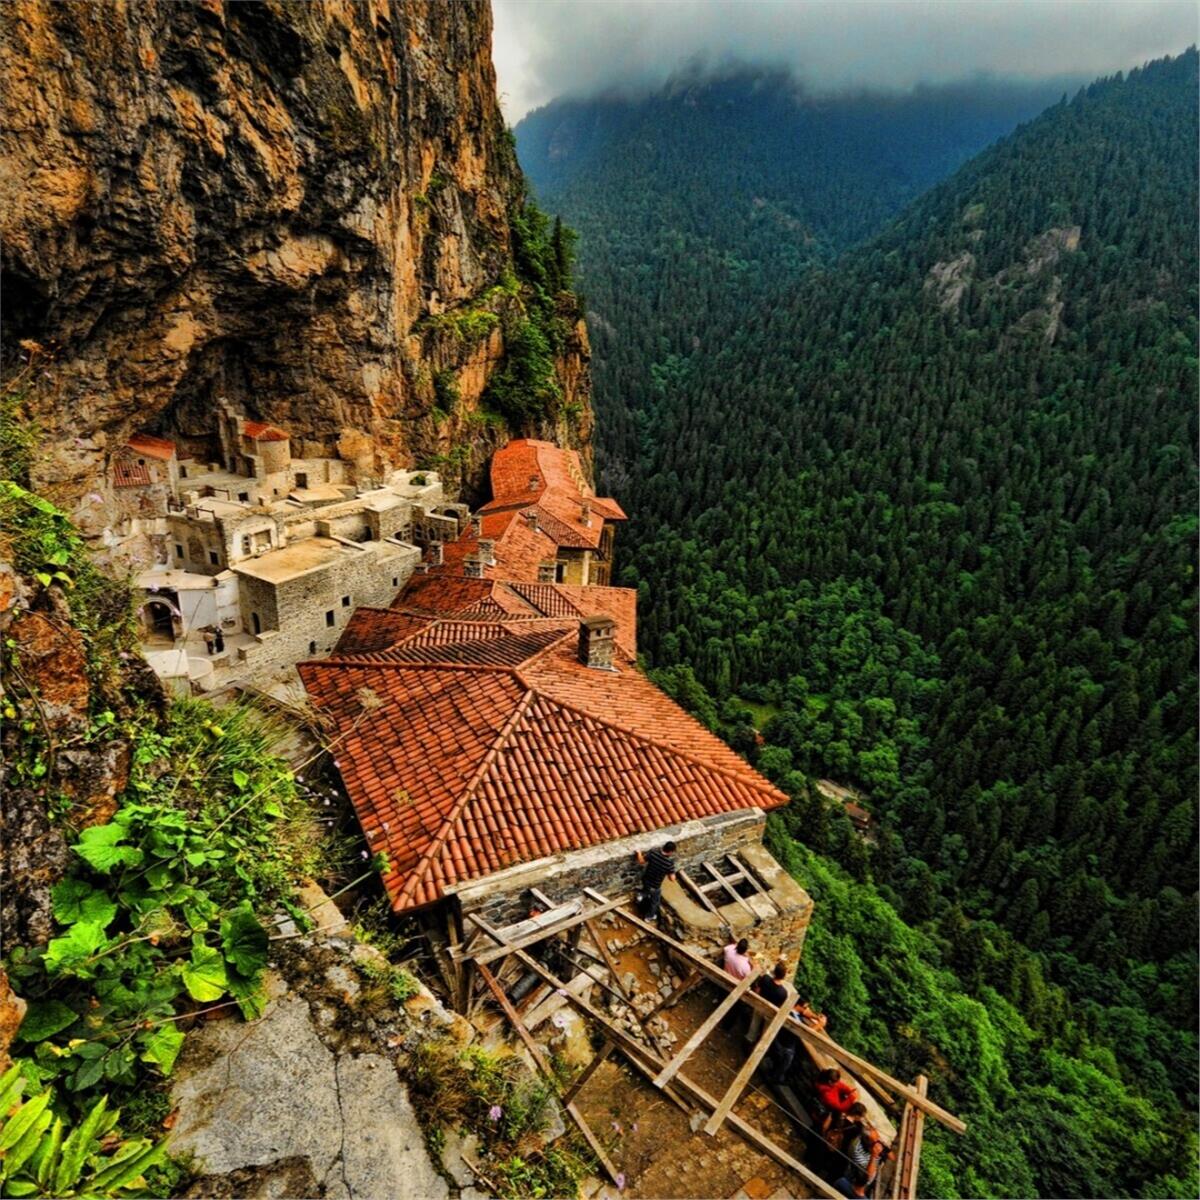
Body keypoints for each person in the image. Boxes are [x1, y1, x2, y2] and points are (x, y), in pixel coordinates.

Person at [833, 1102, 886, 1198]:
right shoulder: (861, 1154)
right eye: (876, 1141)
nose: (879, 1142)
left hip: (840, 1159)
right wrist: (874, 1156)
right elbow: (867, 1178)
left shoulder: (858, 1137)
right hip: (853, 1182)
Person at [746, 960, 790, 1043]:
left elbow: (757, 990)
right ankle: (760, 1044)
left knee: (754, 1025)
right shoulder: (783, 992)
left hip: (760, 1005)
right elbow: (780, 1007)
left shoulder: (766, 978)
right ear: (784, 976)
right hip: (770, 1012)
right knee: (765, 1031)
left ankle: (749, 1039)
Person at [635, 841, 676, 920]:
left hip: (646, 879)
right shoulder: (669, 863)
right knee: (655, 902)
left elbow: (641, 861)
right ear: (671, 852)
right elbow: (672, 879)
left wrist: (639, 853)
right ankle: (649, 916)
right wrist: (672, 872)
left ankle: (641, 896)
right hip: (655, 885)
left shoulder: (653, 853)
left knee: (646, 888)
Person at [814, 1067, 858, 1134]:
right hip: (830, 1112)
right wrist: (852, 1097)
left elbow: (840, 1085)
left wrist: (849, 1091)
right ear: (830, 1082)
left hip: (833, 1109)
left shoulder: (830, 1083)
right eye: (836, 1082)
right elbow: (839, 1107)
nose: (837, 1083)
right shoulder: (826, 1094)